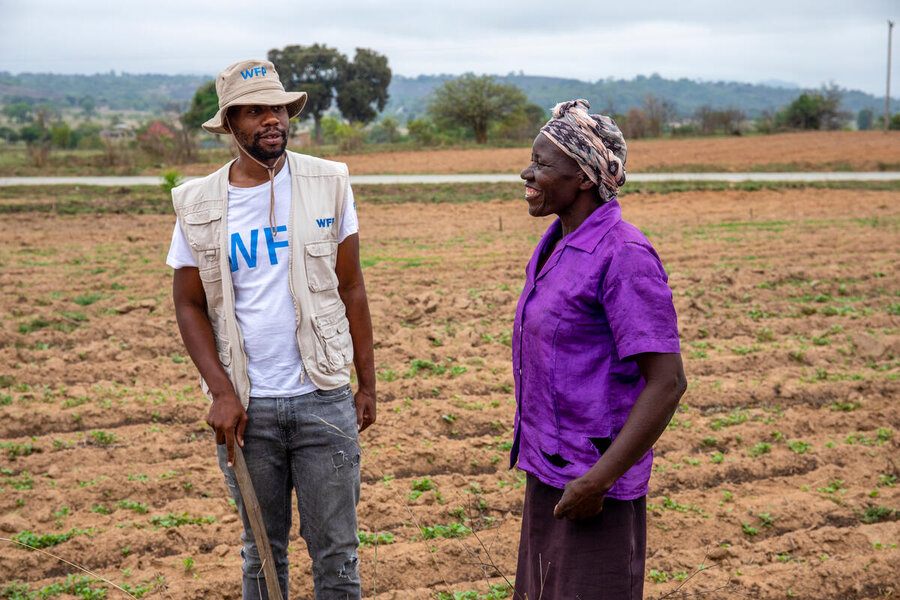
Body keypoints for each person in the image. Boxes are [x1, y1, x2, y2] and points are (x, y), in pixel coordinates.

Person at [167, 59, 376, 600]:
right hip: (246, 408)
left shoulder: (330, 182)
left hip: (322, 397)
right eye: (255, 110)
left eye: (277, 108)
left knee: (337, 554)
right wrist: (221, 391)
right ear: (230, 123)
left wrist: (367, 383)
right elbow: (189, 304)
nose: (271, 119)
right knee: (262, 553)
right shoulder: (197, 203)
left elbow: (351, 287)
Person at [510, 99, 686, 599]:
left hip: (595, 483)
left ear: (585, 178)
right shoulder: (556, 242)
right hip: (550, 468)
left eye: (543, 164)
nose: (527, 172)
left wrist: (598, 482)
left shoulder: (624, 255)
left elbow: (668, 381)